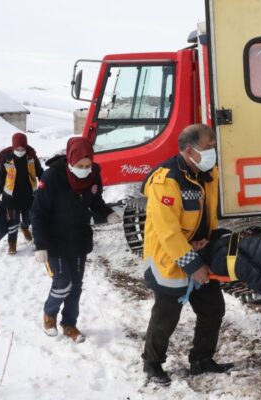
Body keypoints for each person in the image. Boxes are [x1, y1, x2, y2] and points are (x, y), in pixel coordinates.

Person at [140, 124, 233, 385]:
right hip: (170, 257)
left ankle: (202, 360)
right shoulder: (166, 180)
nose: (213, 152)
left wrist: (211, 244)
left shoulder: (207, 173)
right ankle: (152, 363)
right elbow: (167, 231)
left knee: (213, 309)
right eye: (208, 147)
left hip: (201, 250)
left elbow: (207, 214)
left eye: (213, 147)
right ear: (190, 151)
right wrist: (193, 265)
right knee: (166, 315)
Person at [31, 137, 121, 343]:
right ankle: (49, 314)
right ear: (70, 161)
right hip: (54, 241)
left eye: (88, 165)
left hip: (79, 239)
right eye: (80, 166)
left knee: (76, 285)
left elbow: (95, 201)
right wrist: (40, 244)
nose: (84, 169)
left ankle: (69, 324)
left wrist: (106, 213)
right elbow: (38, 212)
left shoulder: (94, 175)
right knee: (63, 283)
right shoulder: (52, 176)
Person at [0, 132, 43, 255]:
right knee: (13, 221)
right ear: (13, 147)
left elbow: (40, 173)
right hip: (11, 197)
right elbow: (1, 178)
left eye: (23, 148)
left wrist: (46, 184)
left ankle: (25, 227)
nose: (20, 151)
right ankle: (12, 243)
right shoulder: (6, 159)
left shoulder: (31, 157)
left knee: (29, 219)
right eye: (18, 149)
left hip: (29, 196)